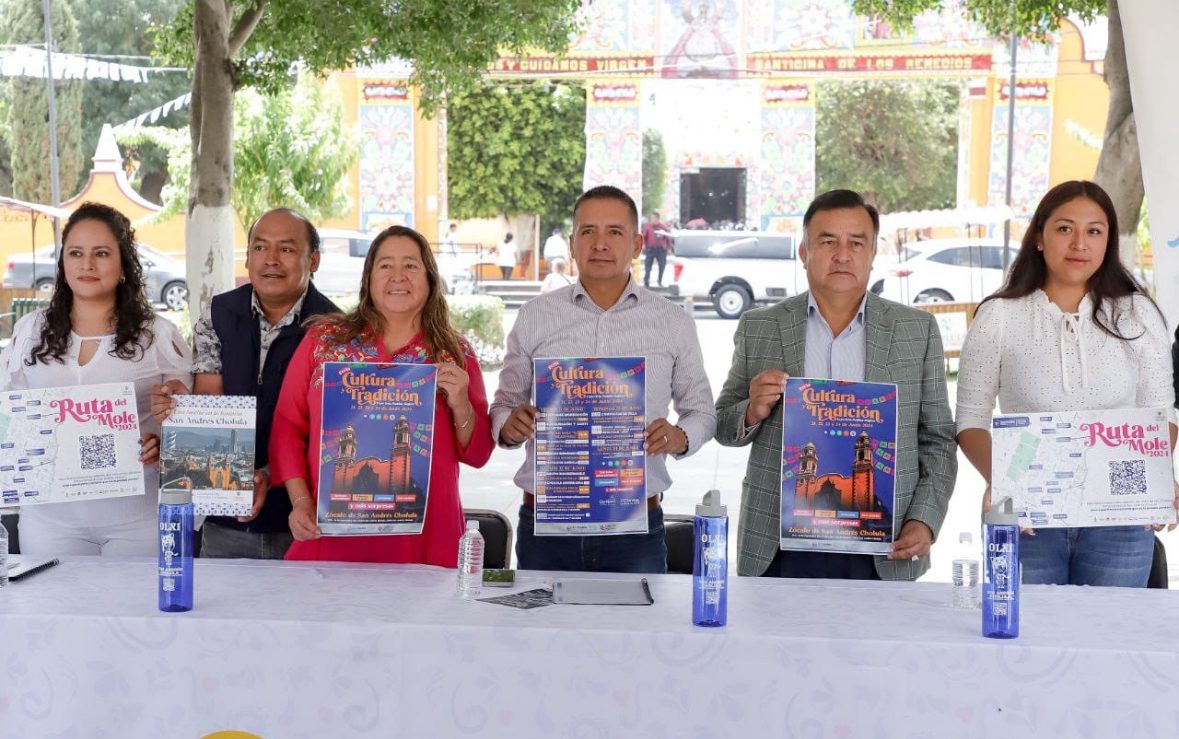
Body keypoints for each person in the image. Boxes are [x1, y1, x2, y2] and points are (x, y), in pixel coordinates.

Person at [714, 189, 957, 580]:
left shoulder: (916, 330)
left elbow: (939, 440)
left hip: (884, 543)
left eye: (856, 243)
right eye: (828, 242)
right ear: (804, 252)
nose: (842, 255)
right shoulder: (761, 326)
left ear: (873, 252)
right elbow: (723, 426)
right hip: (779, 543)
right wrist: (751, 411)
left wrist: (924, 520)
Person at [956, 180, 1175, 587]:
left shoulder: (1139, 314)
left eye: (1094, 231)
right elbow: (970, 420)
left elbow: (1161, 414)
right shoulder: (998, 317)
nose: (1079, 243)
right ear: (1039, 237)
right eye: (1064, 229)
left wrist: (1154, 477)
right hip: (1025, 516)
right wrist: (1005, 483)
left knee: (1110, 627)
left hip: (1120, 520)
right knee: (1026, 626)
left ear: (1108, 241)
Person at [491, 185, 716, 573]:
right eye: (588, 232)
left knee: (640, 616)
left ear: (637, 244)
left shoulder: (672, 322)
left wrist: (680, 437)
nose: (600, 244)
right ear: (572, 244)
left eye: (614, 232)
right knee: (540, 615)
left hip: (634, 528)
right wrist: (508, 426)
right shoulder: (534, 316)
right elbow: (504, 405)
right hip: (547, 524)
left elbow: (703, 412)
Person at [269, 225, 493, 564]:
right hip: (332, 531)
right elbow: (287, 427)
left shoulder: (454, 352)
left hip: (426, 536)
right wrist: (300, 502)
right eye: (386, 265)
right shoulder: (324, 342)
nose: (398, 276)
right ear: (369, 278)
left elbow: (477, 454)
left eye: (411, 265)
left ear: (430, 279)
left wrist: (461, 403)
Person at [0, 202, 191, 555]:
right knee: (52, 594)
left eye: (101, 253)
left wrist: (165, 441)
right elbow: (8, 415)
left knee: (138, 596)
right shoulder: (30, 331)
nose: (86, 264)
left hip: (138, 520)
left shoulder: (158, 335)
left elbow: (189, 424)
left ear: (124, 266)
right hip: (49, 520)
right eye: (75, 253)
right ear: (63, 264)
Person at [151, 208, 340, 559]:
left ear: (313, 260)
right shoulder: (218, 314)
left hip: (304, 519)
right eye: (260, 247)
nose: (271, 259)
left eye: (286, 249)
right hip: (226, 515)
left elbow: (330, 430)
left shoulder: (335, 330)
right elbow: (211, 401)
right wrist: (183, 409)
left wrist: (268, 474)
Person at [641, 211, 671, 287]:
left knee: (662, 265)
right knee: (648, 266)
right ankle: (646, 282)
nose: (652, 220)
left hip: (661, 250)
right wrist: (642, 245)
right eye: (651, 218)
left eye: (653, 218)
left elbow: (668, 238)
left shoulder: (663, 227)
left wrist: (669, 248)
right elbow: (643, 237)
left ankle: (660, 281)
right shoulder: (647, 226)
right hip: (650, 249)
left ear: (658, 219)